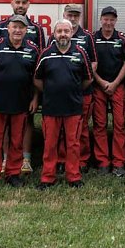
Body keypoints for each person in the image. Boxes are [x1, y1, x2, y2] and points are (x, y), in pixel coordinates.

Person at [0, 15, 39, 192]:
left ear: (26, 30)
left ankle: (13, 174)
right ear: (8, 28)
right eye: (14, 27)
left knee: (17, 142)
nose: (18, 30)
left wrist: (35, 98)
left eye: (21, 27)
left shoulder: (33, 49)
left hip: (21, 104)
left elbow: (36, 77)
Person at [0, 0, 46, 175]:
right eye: (18, 2)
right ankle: (6, 159)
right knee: (5, 122)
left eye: (24, 2)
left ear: (29, 5)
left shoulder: (37, 29)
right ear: (11, 3)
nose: (21, 5)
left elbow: (39, 63)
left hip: (26, 85)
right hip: (3, 87)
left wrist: (36, 94)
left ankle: (26, 159)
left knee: (27, 121)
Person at [34, 19, 93, 189]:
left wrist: (73, 90)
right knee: (50, 144)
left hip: (73, 106)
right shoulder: (46, 54)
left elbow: (88, 78)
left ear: (72, 33)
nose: (63, 35)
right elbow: (37, 79)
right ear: (54, 33)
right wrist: (51, 91)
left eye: (66, 31)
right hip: (51, 107)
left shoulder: (80, 53)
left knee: (73, 144)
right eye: (59, 31)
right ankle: (47, 178)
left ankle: (73, 176)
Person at [56, 4, 98, 171]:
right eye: (69, 15)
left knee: (81, 128)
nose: (72, 18)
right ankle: (61, 159)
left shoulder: (87, 36)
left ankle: (82, 160)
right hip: (60, 93)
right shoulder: (55, 35)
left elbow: (94, 62)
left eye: (75, 15)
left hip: (82, 91)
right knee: (60, 128)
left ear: (79, 17)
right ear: (64, 14)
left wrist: (79, 83)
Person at [91, 6, 125, 177]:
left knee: (120, 125)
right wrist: (102, 82)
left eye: (111, 19)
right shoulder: (92, 38)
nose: (108, 22)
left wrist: (114, 83)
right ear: (101, 19)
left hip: (117, 86)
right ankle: (103, 162)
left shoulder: (121, 38)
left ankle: (119, 162)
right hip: (98, 86)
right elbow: (89, 63)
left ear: (116, 20)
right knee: (99, 125)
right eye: (105, 19)